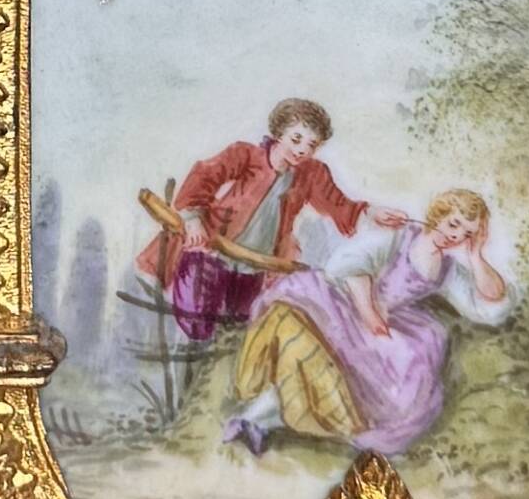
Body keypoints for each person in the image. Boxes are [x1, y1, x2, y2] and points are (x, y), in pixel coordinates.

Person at [222, 187, 515, 458]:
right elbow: (351, 264)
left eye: (466, 233)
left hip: (393, 322)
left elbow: (490, 304)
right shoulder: (401, 235)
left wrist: (476, 256)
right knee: (309, 351)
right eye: (453, 224)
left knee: (398, 377)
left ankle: (263, 421)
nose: (456, 236)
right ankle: (251, 420)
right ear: (438, 214)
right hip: (348, 305)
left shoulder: (448, 268)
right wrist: (369, 314)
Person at [139, 99, 398, 348]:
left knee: (239, 329)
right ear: (278, 134)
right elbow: (204, 175)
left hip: (256, 265)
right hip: (211, 252)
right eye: (296, 140)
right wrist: (193, 219)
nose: (302, 151)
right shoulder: (245, 154)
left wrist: (371, 212)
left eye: (311, 145)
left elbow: (338, 203)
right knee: (197, 326)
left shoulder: (312, 173)